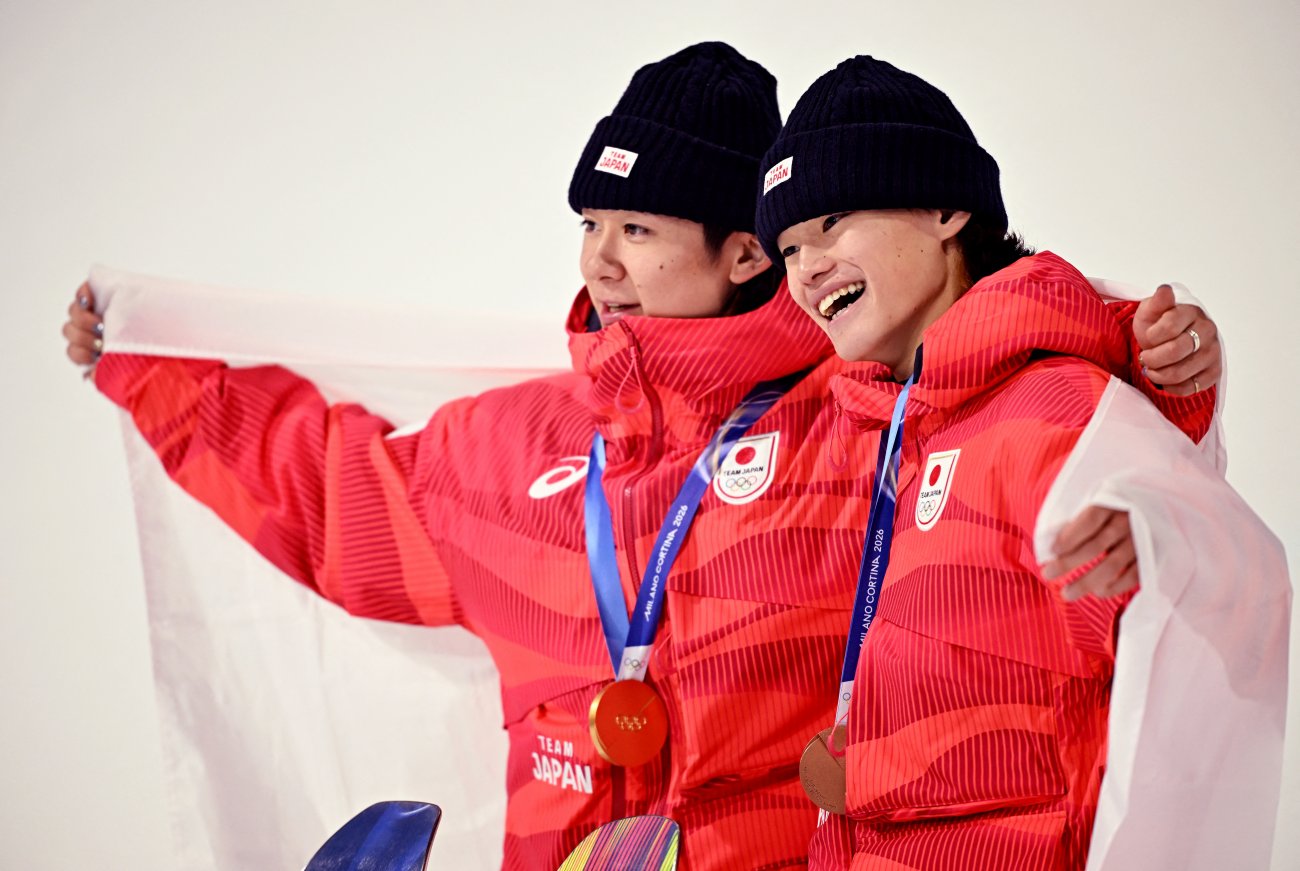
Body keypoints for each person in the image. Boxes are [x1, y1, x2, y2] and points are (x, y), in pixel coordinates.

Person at [62, 44, 1224, 871]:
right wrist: (147, 362)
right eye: (589, 224)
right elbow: (327, 493)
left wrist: (1146, 368)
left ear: (741, 253)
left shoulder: (859, 420)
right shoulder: (512, 443)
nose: (599, 261)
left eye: (635, 229)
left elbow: (1016, 423)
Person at [756, 56, 1288, 870]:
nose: (806, 267)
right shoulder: (882, 429)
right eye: (789, 247)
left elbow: (1214, 585)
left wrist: (1160, 523)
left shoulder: (1054, 409)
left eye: (831, 221)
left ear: (945, 208)